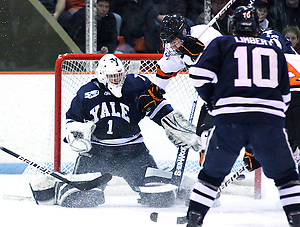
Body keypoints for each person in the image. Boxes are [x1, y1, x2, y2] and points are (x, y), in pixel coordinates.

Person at [29, 54, 200, 208]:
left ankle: (178, 182)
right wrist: (76, 133)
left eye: (119, 75)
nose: (117, 80)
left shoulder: (136, 85)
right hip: (96, 155)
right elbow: (71, 120)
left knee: (162, 198)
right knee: (79, 198)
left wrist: (177, 127)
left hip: (134, 154)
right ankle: (57, 182)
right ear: (102, 76)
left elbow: (157, 108)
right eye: (112, 76)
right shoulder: (86, 93)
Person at [186, 6, 300, 226]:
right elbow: (285, 95)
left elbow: (198, 74)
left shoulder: (223, 43)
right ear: (257, 27)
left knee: (210, 176)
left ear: (232, 26)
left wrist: (213, 102)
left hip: (230, 120)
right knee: (287, 177)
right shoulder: (275, 49)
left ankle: (194, 220)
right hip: (268, 121)